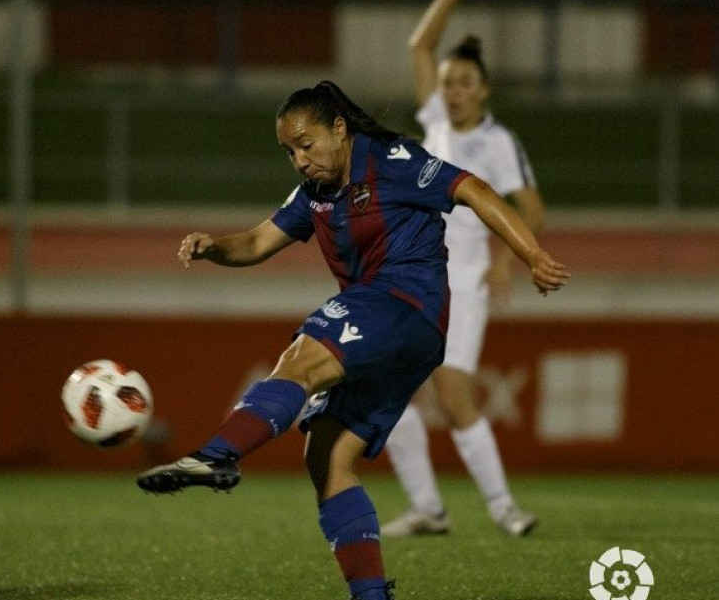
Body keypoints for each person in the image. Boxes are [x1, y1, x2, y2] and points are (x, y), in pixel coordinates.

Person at [135, 80, 567, 600]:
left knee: (301, 358)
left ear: (338, 128)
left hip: (404, 302)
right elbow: (254, 243)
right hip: (410, 330)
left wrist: (531, 254)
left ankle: (217, 454)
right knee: (328, 457)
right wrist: (213, 248)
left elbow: (474, 190)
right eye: (289, 150)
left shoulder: (393, 159)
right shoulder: (314, 192)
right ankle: (371, 595)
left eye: (306, 143)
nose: (299, 159)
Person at [381, 0, 544, 539]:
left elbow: (532, 209)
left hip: (466, 278)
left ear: (484, 90)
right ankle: (428, 507)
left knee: (453, 395)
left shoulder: (498, 142)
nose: (451, 91)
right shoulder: (439, 131)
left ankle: (504, 508)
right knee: (385, 393)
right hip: (415, 276)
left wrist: (506, 260)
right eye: (447, 82)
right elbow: (419, 44)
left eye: (464, 83)